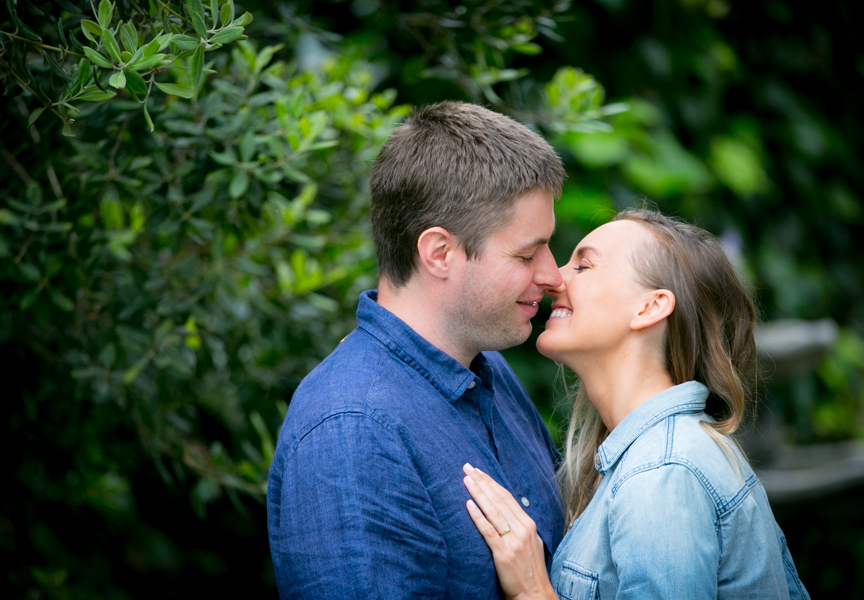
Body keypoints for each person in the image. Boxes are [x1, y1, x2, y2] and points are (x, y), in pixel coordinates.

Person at [267, 102, 568, 599]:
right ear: (440, 253)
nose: (552, 276)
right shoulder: (354, 433)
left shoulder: (488, 368)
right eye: (526, 253)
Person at [462, 209, 811, 600]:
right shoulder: (652, 458)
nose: (554, 278)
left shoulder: (662, 474)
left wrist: (533, 592)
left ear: (649, 308)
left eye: (584, 265)